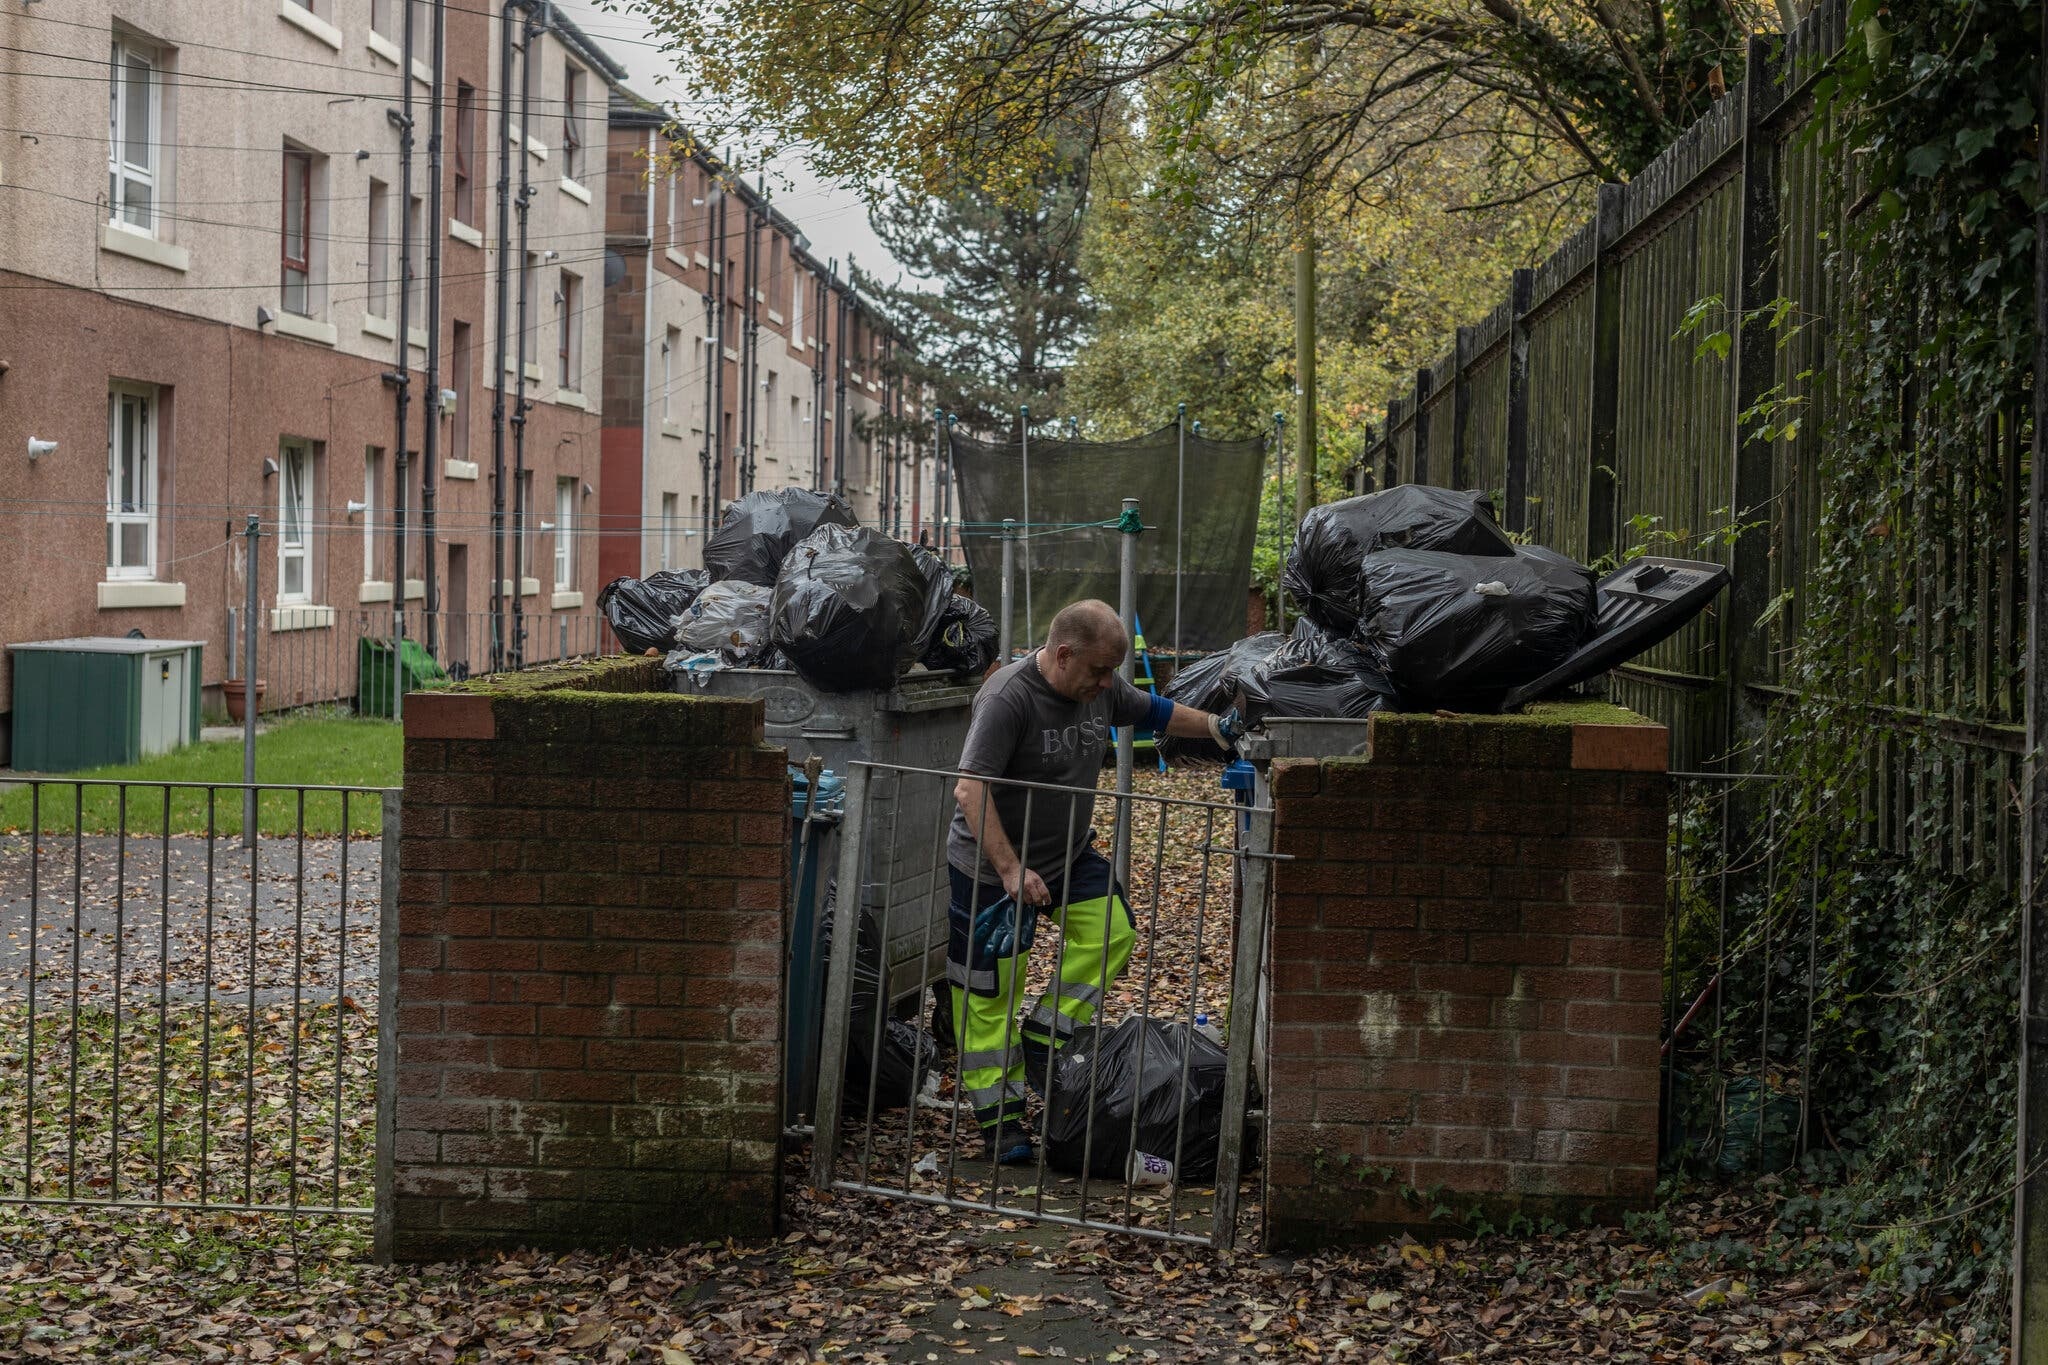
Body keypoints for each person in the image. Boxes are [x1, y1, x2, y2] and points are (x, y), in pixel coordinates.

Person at [946, 599, 1245, 1164]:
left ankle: (1047, 1031)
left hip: (1067, 857)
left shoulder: (1101, 687)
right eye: (1099, 671)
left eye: (1112, 672)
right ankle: (1001, 1122)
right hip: (991, 869)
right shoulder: (1008, 698)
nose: (1108, 684)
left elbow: (1154, 711)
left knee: (1113, 932)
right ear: (1063, 655)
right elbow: (970, 789)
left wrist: (1216, 728)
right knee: (987, 999)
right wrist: (1010, 870)